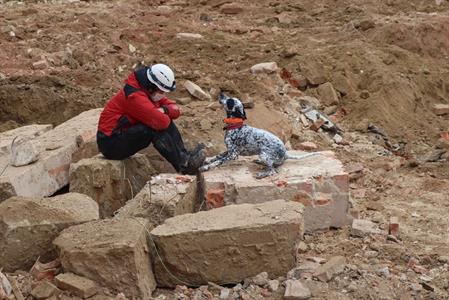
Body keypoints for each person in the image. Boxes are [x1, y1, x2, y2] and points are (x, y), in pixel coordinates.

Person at [96, 63, 205, 175]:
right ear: (152, 85)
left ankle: (185, 158)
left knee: (163, 121)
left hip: (121, 134)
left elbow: (176, 110)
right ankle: (184, 165)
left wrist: (165, 110)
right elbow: (162, 122)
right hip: (110, 144)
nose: (163, 95)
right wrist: (165, 112)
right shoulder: (134, 97)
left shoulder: (148, 89)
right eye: (161, 91)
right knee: (153, 128)